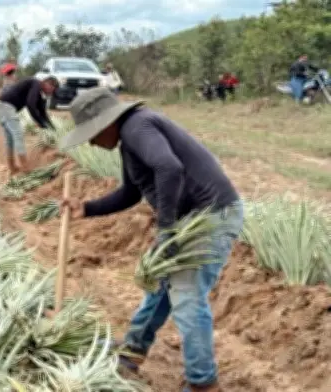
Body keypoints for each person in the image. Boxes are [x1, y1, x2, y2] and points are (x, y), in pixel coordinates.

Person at [58, 88, 243, 392]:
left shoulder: (137, 126)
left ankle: (203, 382)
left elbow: (169, 168)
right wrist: (87, 208)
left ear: (106, 123)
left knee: (187, 296)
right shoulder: (131, 139)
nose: (91, 141)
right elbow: (132, 192)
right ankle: (132, 351)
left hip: (210, 218)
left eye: (91, 133)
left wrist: (166, 228)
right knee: (160, 287)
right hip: (192, 218)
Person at [0, 76, 58, 176]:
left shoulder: (39, 93)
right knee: (18, 135)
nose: (52, 92)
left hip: (0, 106)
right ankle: (25, 168)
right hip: (6, 107)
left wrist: (52, 128)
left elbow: (43, 112)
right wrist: (40, 123)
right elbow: (30, 104)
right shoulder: (36, 84)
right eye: (52, 89)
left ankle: (12, 167)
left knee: (10, 139)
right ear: (47, 83)